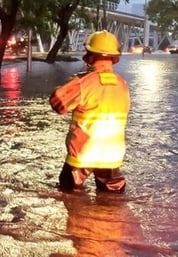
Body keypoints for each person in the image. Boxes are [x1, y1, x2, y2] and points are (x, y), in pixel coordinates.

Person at [49, 30, 130, 193]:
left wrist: (68, 85)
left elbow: (57, 103)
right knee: (113, 198)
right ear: (114, 58)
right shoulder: (123, 85)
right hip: (112, 155)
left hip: (83, 155)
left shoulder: (83, 83)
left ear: (90, 56)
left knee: (69, 193)